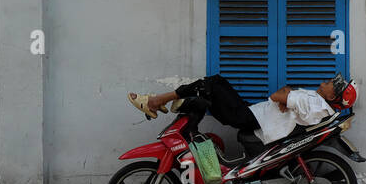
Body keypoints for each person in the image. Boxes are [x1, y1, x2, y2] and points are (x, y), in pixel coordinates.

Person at [128, 74, 350, 146]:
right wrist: (285, 97)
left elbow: (276, 95)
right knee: (216, 81)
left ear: (332, 95)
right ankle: (168, 102)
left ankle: (157, 102)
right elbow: (284, 91)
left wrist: (284, 97)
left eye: (331, 83)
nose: (327, 81)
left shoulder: (314, 103)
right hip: (253, 113)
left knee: (210, 85)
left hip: (249, 118)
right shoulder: (315, 100)